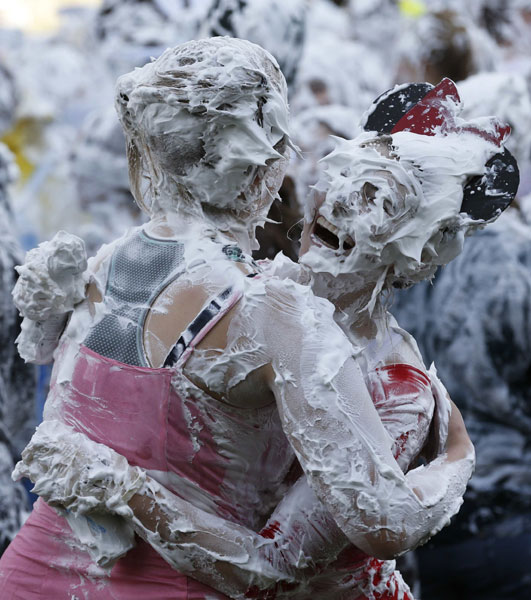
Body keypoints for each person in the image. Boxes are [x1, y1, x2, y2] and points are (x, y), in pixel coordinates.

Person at [1, 39, 475, 599]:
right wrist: (457, 457)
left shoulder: (103, 264)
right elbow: (378, 524)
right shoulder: (276, 313)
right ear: (263, 167)